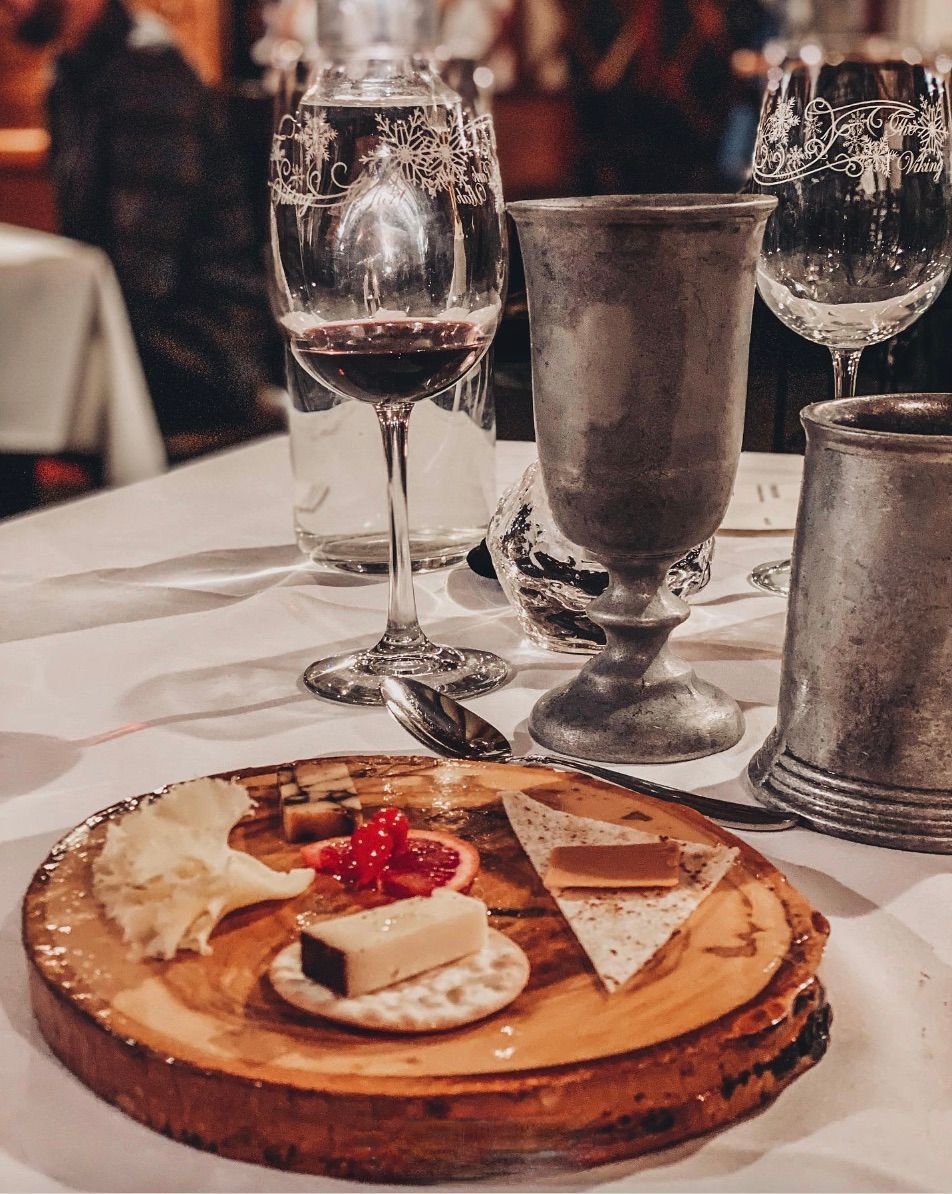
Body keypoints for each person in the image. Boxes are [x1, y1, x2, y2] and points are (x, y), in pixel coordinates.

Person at [1, 0, 277, 444]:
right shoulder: (70, 74)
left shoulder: (147, 75)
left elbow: (144, 277)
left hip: (200, 353)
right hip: (139, 333)